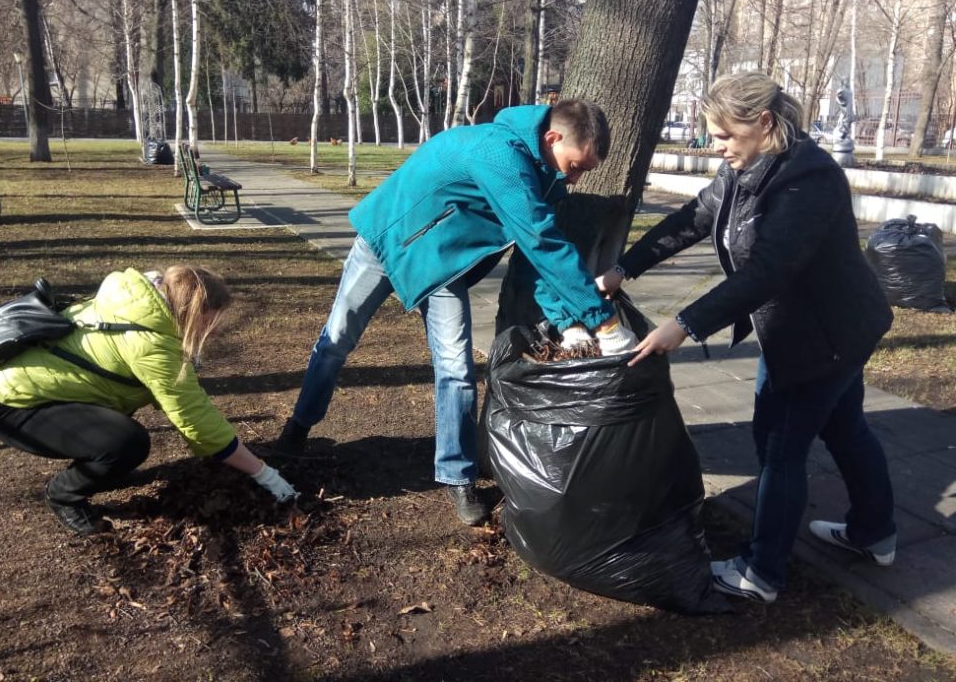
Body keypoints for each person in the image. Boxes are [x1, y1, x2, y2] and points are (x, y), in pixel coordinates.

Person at [595, 71, 897, 603]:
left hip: (823, 335)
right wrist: (625, 268)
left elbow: (767, 271)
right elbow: (693, 217)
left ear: (763, 122)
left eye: (724, 135)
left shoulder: (807, 181)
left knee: (779, 447)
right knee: (846, 428)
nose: (716, 145)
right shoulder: (745, 169)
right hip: (823, 329)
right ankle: (875, 532)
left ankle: (762, 573)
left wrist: (684, 325)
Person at [275, 100, 618, 526]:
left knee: (456, 367)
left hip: (441, 263)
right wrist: (600, 316)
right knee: (337, 340)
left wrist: (568, 323)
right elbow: (541, 240)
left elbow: (535, 262)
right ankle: (299, 426)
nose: (576, 177)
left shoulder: (547, 178)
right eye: (575, 165)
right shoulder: (499, 154)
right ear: (552, 139)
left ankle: (457, 475)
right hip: (387, 240)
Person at [0, 266, 298, 536]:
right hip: (13, 405)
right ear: (189, 312)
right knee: (126, 443)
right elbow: (196, 420)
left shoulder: (138, 301)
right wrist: (263, 473)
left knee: (118, 439)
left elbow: (180, 397)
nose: (213, 333)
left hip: (17, 382)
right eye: (209, 323)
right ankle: (64, 495)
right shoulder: (151, 344)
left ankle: (104, 468)